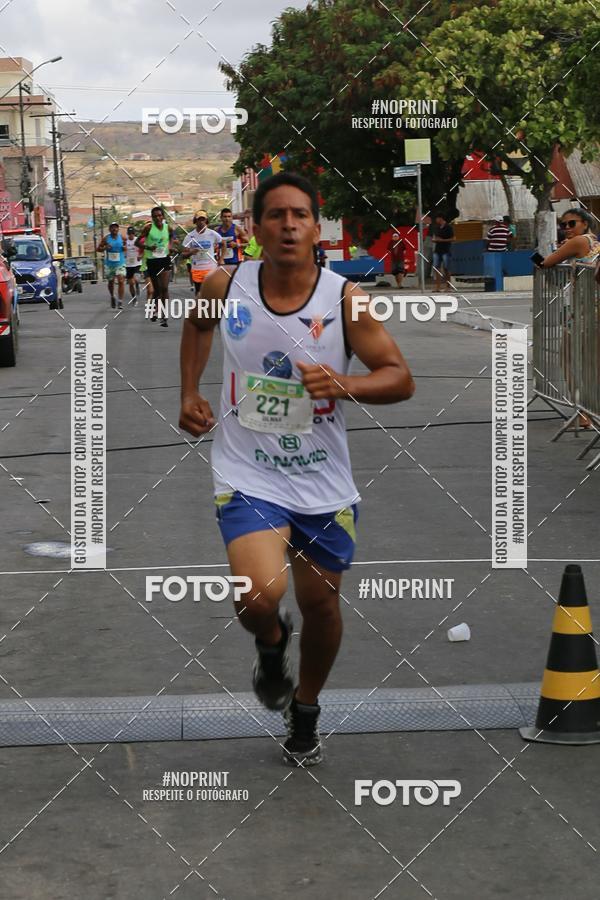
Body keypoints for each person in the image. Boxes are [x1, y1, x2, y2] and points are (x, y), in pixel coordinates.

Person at [179, 172, 415, 766]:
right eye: (276, 215)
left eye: (300, 215)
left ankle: (306, 709)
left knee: (322, 606)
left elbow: (400, 377)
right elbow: (197, 327)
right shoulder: (224, 285)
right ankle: (269, 640)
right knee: (259, 596)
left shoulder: (342, 300)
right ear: (255, 226)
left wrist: (347, 383)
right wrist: (189, 391)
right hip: (247, 471)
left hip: (322, 480)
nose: (288, 225)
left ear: (316, 227)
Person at [538, 209, 600, 429]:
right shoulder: (592, 241)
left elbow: (546, 262)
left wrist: (546, 255)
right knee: (592, 363)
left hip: (582, 313)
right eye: (562, 225)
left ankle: (584, 411)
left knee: (569, 360)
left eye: (571, 224)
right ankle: (590, 411)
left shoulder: (579, 242)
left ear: (585, 223)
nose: (566, 228)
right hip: (591, 310)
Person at [136, 207, 176, 327]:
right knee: (157, 290)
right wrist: (148, 248)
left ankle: (164, 316)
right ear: (152, 218)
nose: (158, 218)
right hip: (152, 261)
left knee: (164, 288)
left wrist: (170, 247)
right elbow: (137, 242)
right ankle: (154, 309)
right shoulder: (148, 228)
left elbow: (172, 238)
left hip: (164, 259)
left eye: (159, 215)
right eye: (155, 216)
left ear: (163, 216)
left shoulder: (167, 227)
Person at [181, 211, 225, 295]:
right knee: (199, 294)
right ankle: (201, 307)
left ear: (206, 221)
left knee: (211, 293)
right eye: (199, 220)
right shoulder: (190, 236)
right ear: (195, 221)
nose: (201, 222)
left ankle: (212, 307)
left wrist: (221, 259)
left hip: (210, 268)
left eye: (203, 219)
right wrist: (191, 252)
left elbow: (223, 243)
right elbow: (183, 255)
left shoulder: (212, 234)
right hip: (197, 269)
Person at [97, 222, 126, 309]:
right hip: (109, 264)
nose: (114, 229)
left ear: (118, 229)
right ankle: (113, 296)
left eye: (116, 227)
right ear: (109, 229)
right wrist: (105, 248)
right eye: (112, 228)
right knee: (111, 282)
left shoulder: (122, 238)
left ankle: (120, 301)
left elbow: (127, 246)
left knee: (121, 281)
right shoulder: (106, 238)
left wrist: (125, 248)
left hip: (120, 263)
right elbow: (98, 249)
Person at [431, 213, 454, 292]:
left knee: (446, 268)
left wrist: (442, 240)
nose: (436, 220)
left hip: (446, 249)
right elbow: (434, 237)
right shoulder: (437, 227)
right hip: (437, 250)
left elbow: (453, 238)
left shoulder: (448, 227)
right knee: (436, 268)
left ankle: (448, 286)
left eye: (437, 219)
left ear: (441, 218)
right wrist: (435, 240)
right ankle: (438, 286)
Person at [124, 226, 141, 305]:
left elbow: (142, 248)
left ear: (134, 234)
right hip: (128, 264)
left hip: (137, 263)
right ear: (128, 234)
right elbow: (123, 251)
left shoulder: (137, 240)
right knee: (131, 283)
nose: (131, 235)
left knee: (136, 279)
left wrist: (140, 255)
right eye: (129, 234)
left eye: (132, 234)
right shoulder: (125, 242)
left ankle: (137, 285)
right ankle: (134, 298)